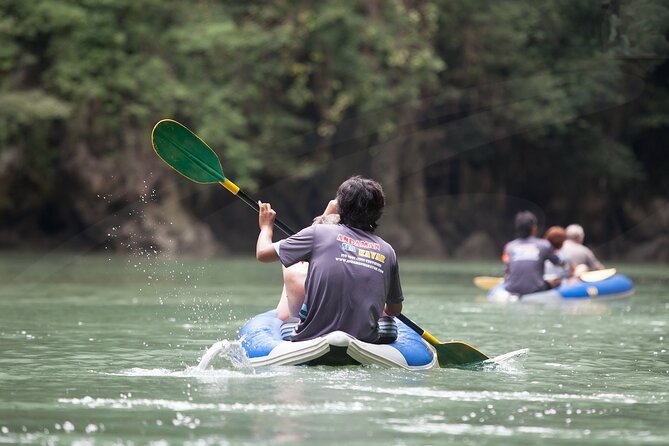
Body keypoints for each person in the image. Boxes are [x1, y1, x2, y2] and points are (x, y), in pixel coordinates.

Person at [256, 176, 403, 344]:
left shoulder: (318, 233)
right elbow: (394, 310)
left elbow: (262, 253)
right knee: (389, 323)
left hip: (311, 335)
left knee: (289, 321)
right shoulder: (387, 251)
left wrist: (266, 226)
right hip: (365, 339)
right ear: (379, 212)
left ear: (340, 208)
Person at [501, 211, 563, 296]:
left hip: (512, 289)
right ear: (534, 228)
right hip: (536, 290)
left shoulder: (509, 247)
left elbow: (507, 270)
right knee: (557, 282)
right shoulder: (544, 245)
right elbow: (559, 263)